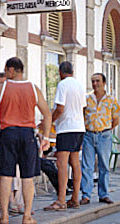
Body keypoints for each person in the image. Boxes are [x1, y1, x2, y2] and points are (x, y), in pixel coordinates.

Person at [0, 57, 52, 224]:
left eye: (6, 70)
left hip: (8, 133)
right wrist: (45, 136)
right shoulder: (33, 88)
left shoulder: (2, 87)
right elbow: (47, 114)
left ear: (11, 70)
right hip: (27, 135)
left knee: (6, 176)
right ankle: (27, 216)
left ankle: (5, 216)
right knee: (27, 177)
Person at [43, 61, 86, 211]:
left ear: (60, 72)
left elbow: (60, 108)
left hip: (66, 128)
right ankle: (75, 198)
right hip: (79, 127)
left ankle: (61, 200)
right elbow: (83, 108)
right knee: (75, 162)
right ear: (72, 71)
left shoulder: (63, 85)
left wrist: (49, 121)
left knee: (61, 163)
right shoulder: (79, 85)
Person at [80, 73, 120, 206]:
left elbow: (115, 120)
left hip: (104, 135)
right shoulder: (87, 98)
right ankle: (86, 195)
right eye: (92, 81)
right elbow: (82, 116)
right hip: (88, 135)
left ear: (104, 83)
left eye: (97, 81)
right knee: (87, 166)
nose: (95, 84)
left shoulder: (111, 100)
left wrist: (106, 130)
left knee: (104, 165)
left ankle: (103, 194)